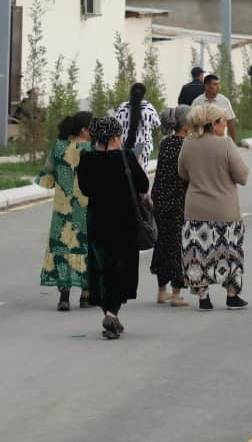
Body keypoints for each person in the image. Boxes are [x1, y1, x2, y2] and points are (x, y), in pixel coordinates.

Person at [76, 116, 150, 340]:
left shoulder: (86, 159)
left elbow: (85, 189)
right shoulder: (126, 157)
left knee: (102, 268)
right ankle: (111, 313)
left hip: (98, 220)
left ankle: (110, 315)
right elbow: (143, 185)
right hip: (124, 220)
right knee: (122, 267)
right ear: (116, 136)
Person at [178, 104, 250, 311]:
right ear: (213, 124)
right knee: (229, 252)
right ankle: (232, 295)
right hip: (224, 210)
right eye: (223, 121)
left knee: (198, 254)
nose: (226, 125)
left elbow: (182, 172)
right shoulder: (226, 144)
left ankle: (204, 298)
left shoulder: (188, 144)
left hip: (196, 210)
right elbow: (242, 176)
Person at [35, 111, 93, 311]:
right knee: (86, 247)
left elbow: (47, 174)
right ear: (84, 130)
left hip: (63, 209)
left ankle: (64, 296)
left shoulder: (59, 147)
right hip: (87, 207)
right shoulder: (92, 149)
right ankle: (86, 293)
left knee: (62, 248)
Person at [150, 106, 191, 308]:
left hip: (159, 198)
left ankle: (161, 291)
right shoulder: (186, 145)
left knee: (163, 243)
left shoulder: (166, 143)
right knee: (177, 245)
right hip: (177, 200)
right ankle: (176, 293)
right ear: (186, 125)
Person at [114, 82, 160, 170]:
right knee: (141, 175)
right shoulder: (148, 107)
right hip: (142, 146)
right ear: (144, 94)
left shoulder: (123, 107)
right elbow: (156, 124)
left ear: (131, 92)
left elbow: (116, 124)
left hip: (125, 145)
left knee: (127, 175)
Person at [191, 74, 238, 144]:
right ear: (206, 86)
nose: (218, 87)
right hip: (202, 142)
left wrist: (234, 142)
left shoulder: (224, 101)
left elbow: (230, 122)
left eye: (219, 84)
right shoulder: (197, 102)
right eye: (215, 84)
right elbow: (191, 122)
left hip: (221, 141)